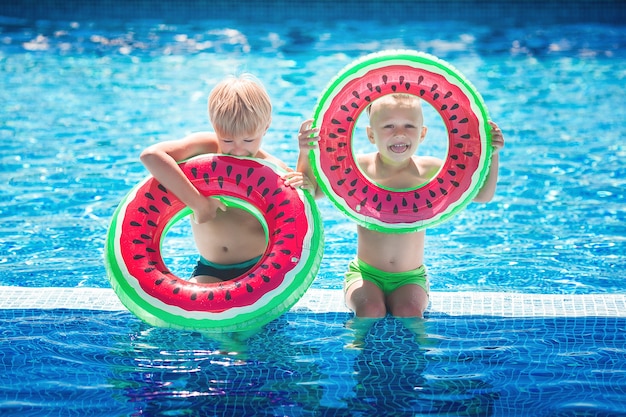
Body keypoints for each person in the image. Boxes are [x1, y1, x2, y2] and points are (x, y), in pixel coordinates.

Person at [297, 93, 505, 318]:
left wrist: (492, 154)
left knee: (409, 312)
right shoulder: (357, 167)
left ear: (423, 134)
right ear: (370, 135)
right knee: (370, 310)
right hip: (365, 275)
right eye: (388, 126)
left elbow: (483, 195)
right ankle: (356, 347)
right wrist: (305, 151)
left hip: (410, 277)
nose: (399, 133)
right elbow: (311, 192)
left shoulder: (432, 171)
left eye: (409, 125)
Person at [140, 74, 307, 284]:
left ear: (266, 126)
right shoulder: (205, 147)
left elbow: (301, 207)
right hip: (210, 268)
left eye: (248, 140)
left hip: (262, 267)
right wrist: (198, 203)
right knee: (199, 310)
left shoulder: (274, 169)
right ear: (214, 126)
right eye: (227, 139)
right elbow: (151, 156)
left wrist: (305, 159)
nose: (237, 150)